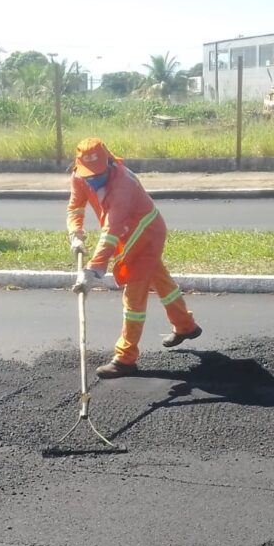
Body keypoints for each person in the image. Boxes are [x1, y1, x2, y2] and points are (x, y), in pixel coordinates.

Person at [67, 137, 202, 379]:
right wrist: (75, 234)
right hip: (127, 233)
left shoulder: (122, 185)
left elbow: (111, 229)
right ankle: (186, 326)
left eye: (96, 174)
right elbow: (75, 206)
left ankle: (125, 357)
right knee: (160, 280)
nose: (92, 179)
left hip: (146, 233)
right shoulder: (80, 175)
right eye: (88, 174)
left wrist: (93, 271)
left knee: (134, 295)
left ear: (109, 162)